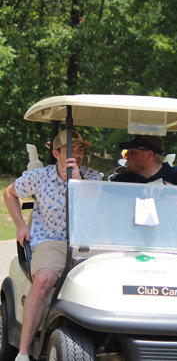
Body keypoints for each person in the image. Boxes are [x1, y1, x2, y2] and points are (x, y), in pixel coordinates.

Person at [3, 130, 103, 361]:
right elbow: (10, 193)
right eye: (71, 150)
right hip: (53, 241)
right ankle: (24, 352)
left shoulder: (92, 176)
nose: (77, 155)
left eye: (80, 150)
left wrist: (75, 180)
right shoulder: (39, 176)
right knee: (42, 281)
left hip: (87, 244)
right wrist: (20, 226)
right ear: (56, 153)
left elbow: (91, 198)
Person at [111, 135, 177, 186]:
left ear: (148, 155)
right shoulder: (122, 180)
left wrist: (164, 187)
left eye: (132, 151)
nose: (126, 155)